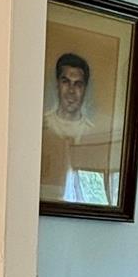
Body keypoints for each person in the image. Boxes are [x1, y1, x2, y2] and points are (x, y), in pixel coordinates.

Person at [40, 52, 114, 203]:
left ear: (85, 89)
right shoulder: (42, 126)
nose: (71, 91)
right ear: (57, 85)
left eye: (78, 84)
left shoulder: (94, 133)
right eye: (66, 82)